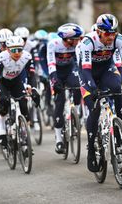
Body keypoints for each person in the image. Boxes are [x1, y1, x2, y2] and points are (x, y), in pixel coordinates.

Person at [80, 14, 122, 172]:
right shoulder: (88, 42)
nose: (111, 37)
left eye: (114, 32)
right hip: (87, 73)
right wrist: (93, 89)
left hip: (106, 69)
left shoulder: (119, 39)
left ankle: (118, 126)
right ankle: (91, 149)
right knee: (94, 107)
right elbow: (85, 70)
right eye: (107, 34)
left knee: (116, 87)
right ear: (98, 32)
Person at [0, 35, 40, 145]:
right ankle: (2, 128)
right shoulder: (1, 57)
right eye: (13, 50)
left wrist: (33, 89)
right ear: (8, 50)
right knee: (4, 102)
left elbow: (32, 75)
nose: (17, 53)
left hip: (16, 81)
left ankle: (24, 134)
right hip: (2, 82)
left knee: (24, 103)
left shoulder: (27, 56)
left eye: (20, 49)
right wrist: (0, 94)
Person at [47, 23, 84, 153]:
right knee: (60, 101)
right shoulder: (53, 44)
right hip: (57, 72)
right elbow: (51, 63)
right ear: (68, 39)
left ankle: (77, 112)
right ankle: (58, 139)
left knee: (78, 86)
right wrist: (54, 80)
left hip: (70, 70)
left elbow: (80, 63)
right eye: (76, 38)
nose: (79, 41)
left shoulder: (78, 45)